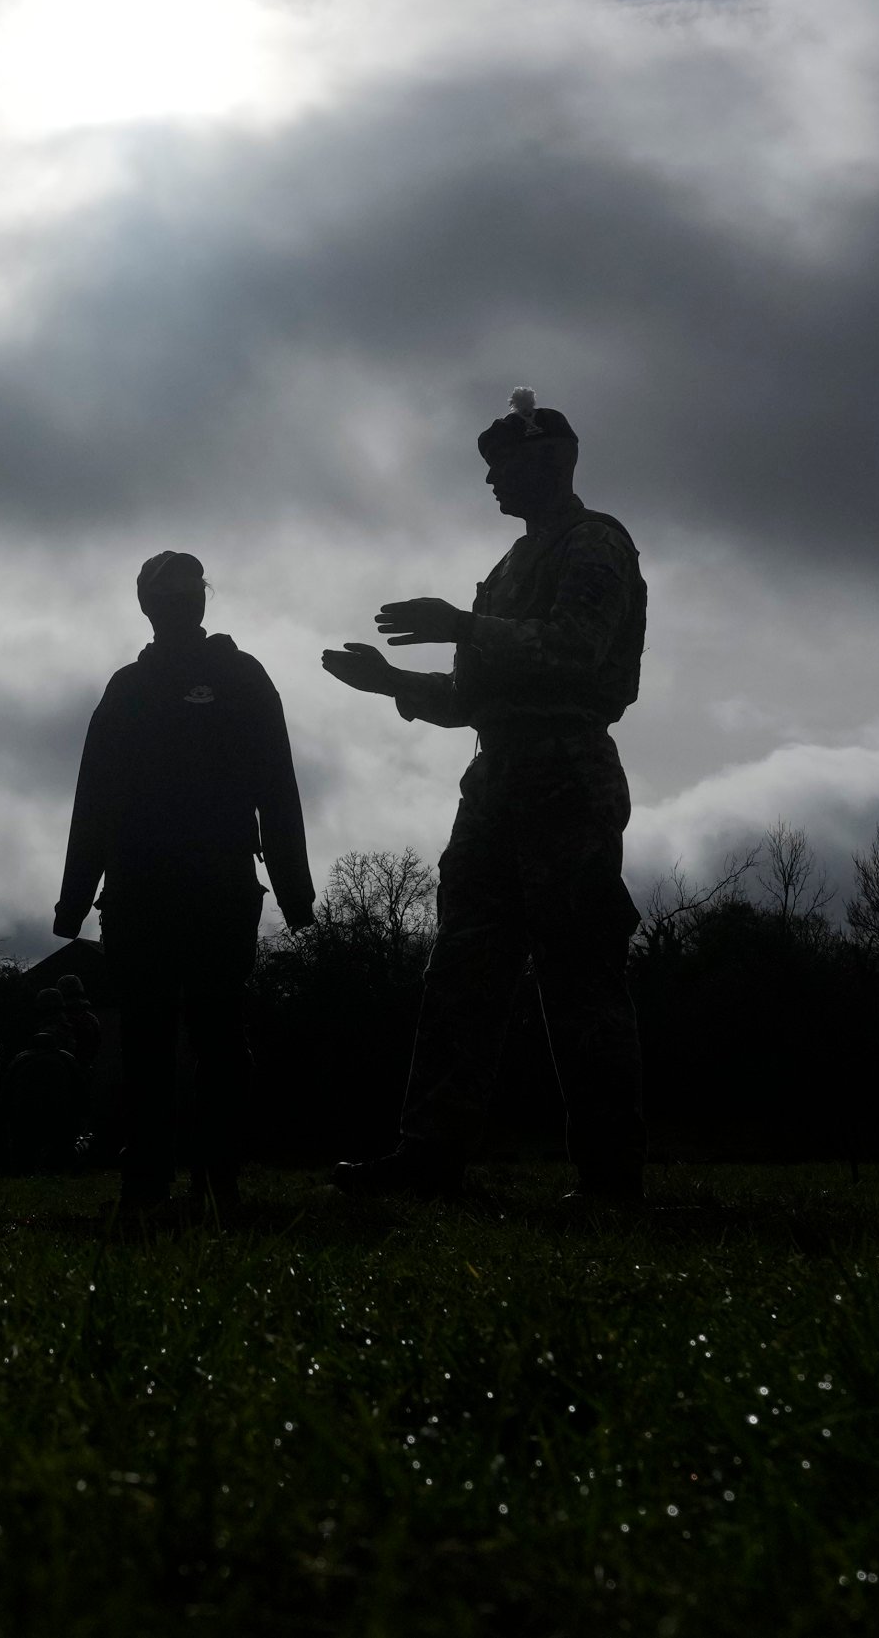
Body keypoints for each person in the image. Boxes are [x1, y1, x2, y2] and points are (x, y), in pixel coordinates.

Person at [321, 392, 649, 1204]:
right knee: (461, 976)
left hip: (566, 777)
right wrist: (390, 681)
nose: (492, 482)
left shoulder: (595, 543)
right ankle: (426, 1159)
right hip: (496, 783)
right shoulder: (506, 571)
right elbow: (474, 699)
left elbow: (576, 653)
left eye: (502, 465)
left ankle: (609, 1178)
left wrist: (464, 624)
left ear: (548, 461)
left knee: (581, 978)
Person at [54, 549, 315, 1211]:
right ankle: (148, 1181)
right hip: (142, 892)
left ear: (202, 599)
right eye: (166, 591)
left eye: (188, 589)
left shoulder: (241, 678)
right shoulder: (127, 689)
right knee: (148, 1039)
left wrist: (295, 890)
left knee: (218, 1032)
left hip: (217, 887)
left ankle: (219, 1176)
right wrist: (75, 897)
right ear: (146, 604)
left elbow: (276, 788)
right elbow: (96, 797)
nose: (178, 600)